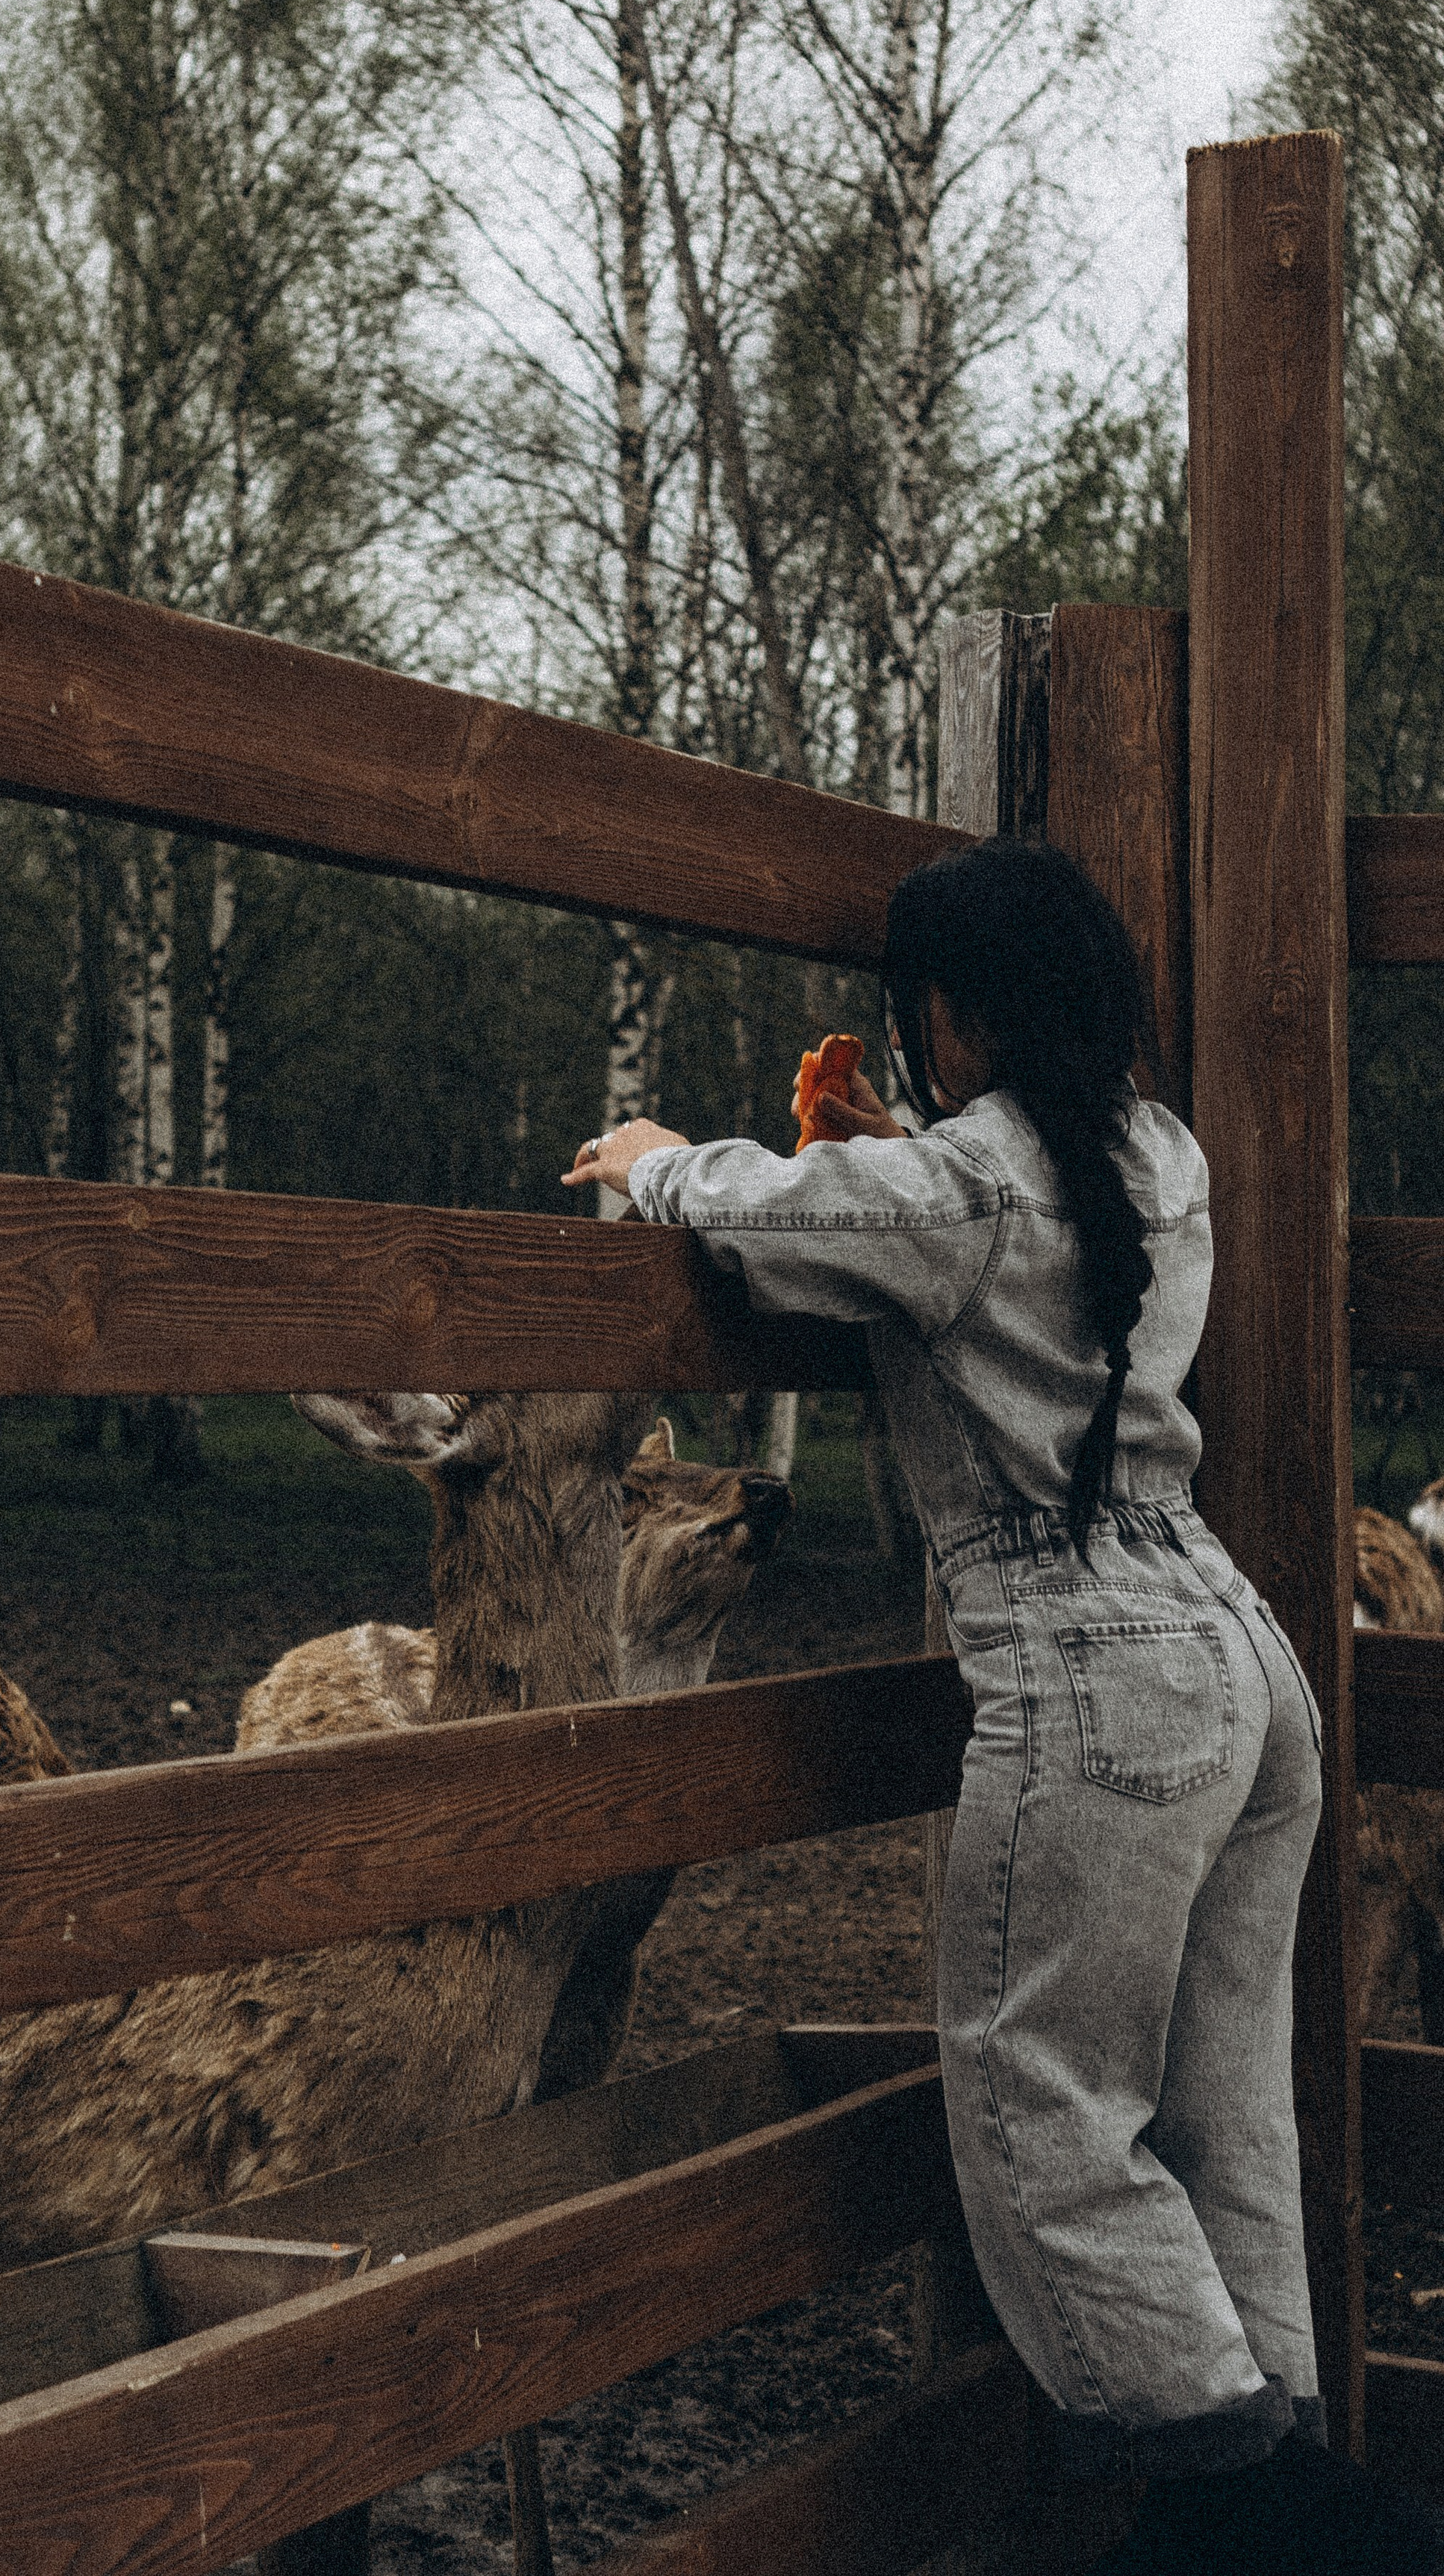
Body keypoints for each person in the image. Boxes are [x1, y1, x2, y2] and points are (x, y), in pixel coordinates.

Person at [564, 838, 1436, 2576]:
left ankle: (1248, 2503)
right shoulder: (1153, 1153)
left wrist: (662, 1163)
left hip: (1093, 1676)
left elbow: (774, 1216)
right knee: (1223, 2103)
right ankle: (1267, 2468)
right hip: (1239, 1667)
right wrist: (896, 1157)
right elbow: (981, 1224)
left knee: (1037, 2104)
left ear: (947, 1011)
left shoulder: (953, 1189)